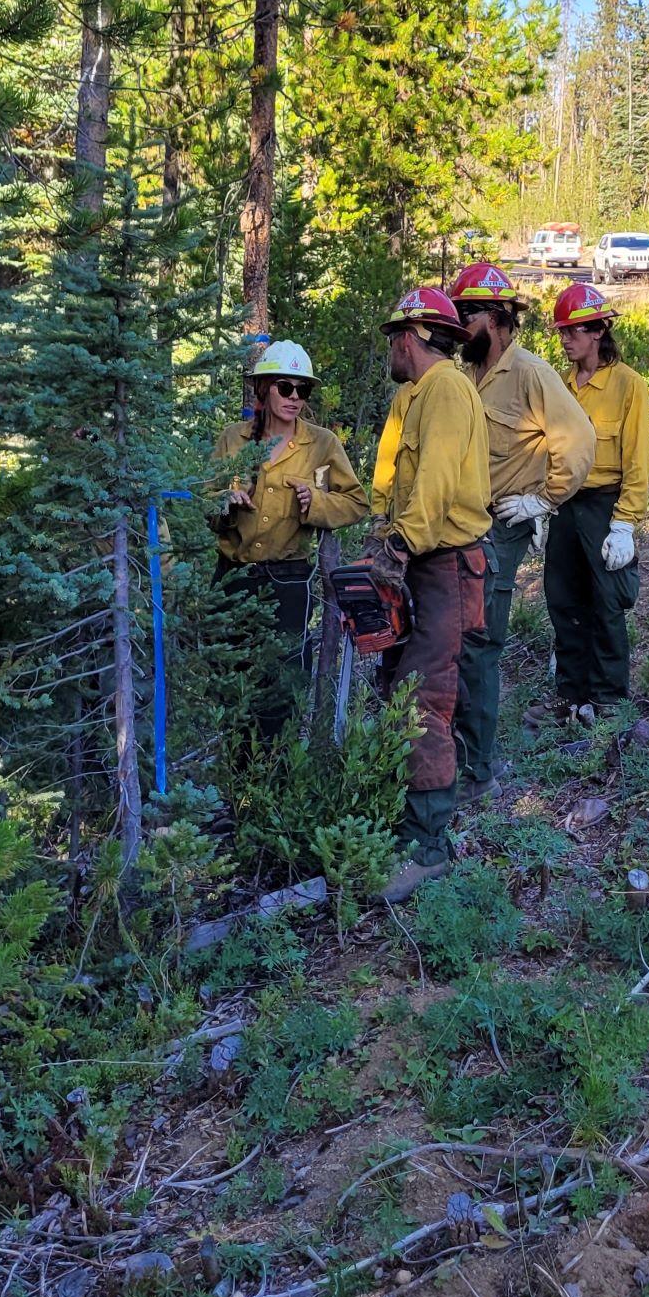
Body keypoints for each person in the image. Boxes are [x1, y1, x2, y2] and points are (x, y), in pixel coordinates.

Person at [449, 261, 593, 800]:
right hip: (462, 524)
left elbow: (578, 439)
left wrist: (544, 500)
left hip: (502, 526)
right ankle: (459, 753)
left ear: (501, 318)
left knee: (480, 642)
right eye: (458, 313)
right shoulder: (464, 376)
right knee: (456, 639)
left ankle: (478, 769)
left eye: (470, 315)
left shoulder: (531, 373)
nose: (461, 326)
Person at [368, 286, 491, 902]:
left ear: (411, 338)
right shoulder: (409, 395)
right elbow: (390, 475)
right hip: (419, 559)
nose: (391, 347)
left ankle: (428, 845)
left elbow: (438, 476)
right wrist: (381, 532)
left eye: (395, 337)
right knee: (399, 684)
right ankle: (408, 815)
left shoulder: (444, 387)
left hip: (441, 562)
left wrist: (399, 543)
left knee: (424, 696)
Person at [211, 342, 369, 748]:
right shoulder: (233, 439)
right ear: (263, 389)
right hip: (234, 578)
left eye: (303, 390)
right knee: (232, 680)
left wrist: (316, 505)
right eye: (286, 387)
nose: (295, 398)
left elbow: (355, 502)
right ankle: (233, 780)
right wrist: (225, 504)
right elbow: (205, 503)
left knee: (282, 683)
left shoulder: (322, 444)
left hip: (289, 581)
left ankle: (274, 780)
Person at [544, 283, 649, 724]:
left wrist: (625, 524)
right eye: (562, 333)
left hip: (605, 506)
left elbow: (637, 461)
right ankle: (570, 694)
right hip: (566, 505)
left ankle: (607, 699)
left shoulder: (628, 386)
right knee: (564, 600)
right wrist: (540, 501)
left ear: (598, 331)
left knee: (607, 602)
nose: (566, 340)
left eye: (574, 331)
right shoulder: (560, 386)